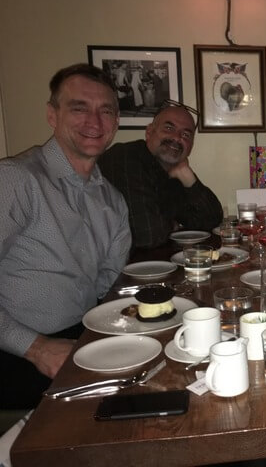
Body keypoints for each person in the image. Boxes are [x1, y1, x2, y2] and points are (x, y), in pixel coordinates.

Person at [0, 63, 131, 408]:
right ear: (52, 115)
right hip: (17, 354)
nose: (95, 122)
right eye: (79, 108)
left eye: (106, 111)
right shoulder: (15, 180)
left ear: (116, 122)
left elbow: (106, 283)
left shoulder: (113, 201)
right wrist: (36, 347)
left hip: (81, 340)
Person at [98, 100, 224, 249]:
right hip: (107, 270)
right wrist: (172, 224)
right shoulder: (126, 158)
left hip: (147, 266)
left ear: (191, 146)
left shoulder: (170, 172)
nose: (177, 138)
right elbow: (148, 236)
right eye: (169, 128)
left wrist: (188, 177)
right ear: (149, 132)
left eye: (186, 134)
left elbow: (212, 220)